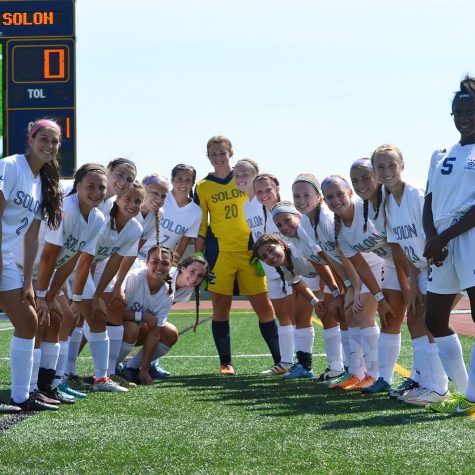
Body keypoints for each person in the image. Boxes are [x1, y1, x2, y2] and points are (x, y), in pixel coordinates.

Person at [35, 164, 125, 395]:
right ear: (77, 187)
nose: (96, 192)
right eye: (90, 186)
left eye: (101, 188)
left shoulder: (96, 217)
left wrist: (64, 296)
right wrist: (43, 296)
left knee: (61, 318)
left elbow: (73, 260)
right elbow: (48, 256)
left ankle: (51, 384)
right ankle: (30, 388)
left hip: (49, 272)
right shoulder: (68, 210)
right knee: (35, 322)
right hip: (26, 268)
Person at [194, 136, 278, 375]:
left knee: (265, 308)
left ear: (230, 152)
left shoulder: (245, 177)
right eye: (213, 153)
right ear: (208, 156)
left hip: (252, 252)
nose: (218, 157)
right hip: (221, 253)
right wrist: (199, 253)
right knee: (221, 308)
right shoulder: (203, 186)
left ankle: (280, 361)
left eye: (222, 152)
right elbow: (201, 224)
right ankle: (226, 363)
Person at [0, 119, 63, 412]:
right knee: (28, 322)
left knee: (28, 322)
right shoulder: (10, 166)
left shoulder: (42, 183)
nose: (49, 146)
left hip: (9, 261)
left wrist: (28, 283)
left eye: (55, 141)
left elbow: (32, 238)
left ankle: (21, 397)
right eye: (44, 139)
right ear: (30, 138)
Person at [422, 76, 475, 415]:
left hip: (469, 237)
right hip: (441, 240)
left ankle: (473, 397)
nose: (463, 117)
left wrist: (444, 237)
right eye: (458, 111)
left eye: (470, 110)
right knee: (434, 318)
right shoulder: (441, 154)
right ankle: (461, 388)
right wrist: (432, 238)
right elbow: (428, 200)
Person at [66, 181, 145, 389]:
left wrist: (97, 295)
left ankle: (99, 378)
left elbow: (114, 263)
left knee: (95, 316)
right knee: (67, 318)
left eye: (138, 201)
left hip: (84, 269)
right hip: (68, 266)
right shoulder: (101, 220)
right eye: (127, 199)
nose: (132, 204)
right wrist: (78, 297)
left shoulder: (135, 228)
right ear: (117, 199)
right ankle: (61, 374)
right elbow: (84, 261)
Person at [321, 174, 396, 391]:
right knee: (353, 313)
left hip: (389, 264)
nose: (335, 200)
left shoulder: (368, 209)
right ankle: (358, 372)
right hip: (369, 270)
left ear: (350, 192)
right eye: (330, 197)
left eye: (339, 194)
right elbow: (346, 261)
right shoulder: (338, 227)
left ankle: (375, 374)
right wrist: (352, 287)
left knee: (364, 314)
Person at [292, 173, 358, 383]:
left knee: (358, 318)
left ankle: (365, 373)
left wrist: (346, 289)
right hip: (344, 274)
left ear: (318, 196)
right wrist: (339, 290)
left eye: (306, 195)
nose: (301, 201)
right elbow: (324, 261)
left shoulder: (327, 220)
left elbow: (344, 257)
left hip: (360, 270)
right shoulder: (306, 223)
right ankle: (351, 369)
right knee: (345, 317)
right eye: (296, 196)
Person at [271, 199, 347, 381]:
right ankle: (336, 367)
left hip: (341, 270)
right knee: (315, 315)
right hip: (329, 272)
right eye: (279, 224)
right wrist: (315, 300)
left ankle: (349, 368)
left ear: (298, 216)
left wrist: (336, 292)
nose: (284, 226)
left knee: (342, 316)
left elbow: (326, 262)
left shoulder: (305, 232)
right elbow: (299, 278)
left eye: (287, 220)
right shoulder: (290, 242)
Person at [234, 161, 294, 375]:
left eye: (245, 174)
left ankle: (303, 363)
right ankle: (286, 362)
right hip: (269, 265)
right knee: (282, 315)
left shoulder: (285, 207)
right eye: (237, 174)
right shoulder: (247, 206)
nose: (241, 178)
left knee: (297, 314)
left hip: (290, 265)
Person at [119, 254, 210, 383]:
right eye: (192, 271)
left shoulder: (186, 289)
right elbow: (115, 311)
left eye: (200, 276)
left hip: (136, 319)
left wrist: (144, 369)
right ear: (182, 268)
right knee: (132, 328)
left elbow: (159, 316)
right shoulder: (148, 277)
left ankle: (132, 367)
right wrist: (141, 316)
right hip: (116, 322)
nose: (195, 278)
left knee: (169, 332)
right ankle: (110, 368)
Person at [253, 233, 327, 380]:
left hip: (335, 271)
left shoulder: (300, 253)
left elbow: (326, 265)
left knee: (335, 316)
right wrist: (314, 301)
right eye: (265, 257)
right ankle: (305, 366)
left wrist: (331, 291)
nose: (270, 257)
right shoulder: (281, 266)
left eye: (271, 250)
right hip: (317, 275)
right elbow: (297, 282)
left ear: (281, 244)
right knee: (300, 316)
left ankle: (341, 367)